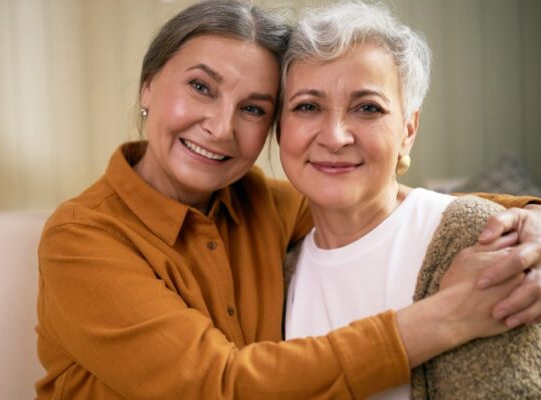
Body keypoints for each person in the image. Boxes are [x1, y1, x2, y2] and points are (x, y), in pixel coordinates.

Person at [36, 1, 541, 399]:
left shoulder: (263, 203)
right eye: (200, 87)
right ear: (147, 86)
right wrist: (445, 316)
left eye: (253, 108)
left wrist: (526, 214)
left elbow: (380, 199)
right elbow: (220, 386)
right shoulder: (82, 238)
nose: (220, 127)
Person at [280, 1, 541, 399]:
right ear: (280, 128)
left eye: (367, 108)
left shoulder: (478, 238)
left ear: (408, 129)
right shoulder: (279, 264)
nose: (335, 137)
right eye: (307, 107)